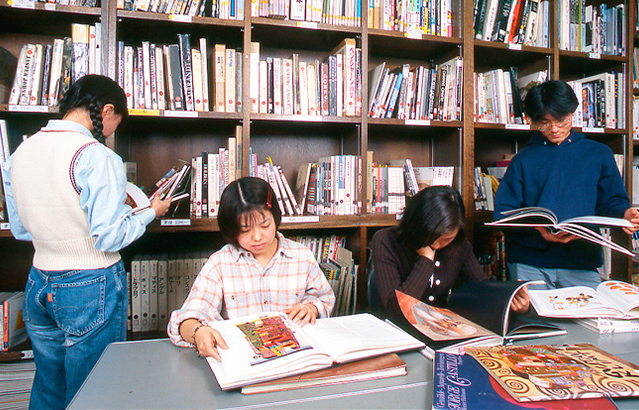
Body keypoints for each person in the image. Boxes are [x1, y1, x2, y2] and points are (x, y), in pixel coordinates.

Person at [1, 75, 172, 410]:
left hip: (39, 281)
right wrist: (149, 213)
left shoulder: (21, 152)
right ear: (107, 110)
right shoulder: (96, 156)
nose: (110, 131)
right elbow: (110, 236)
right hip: (89, 283)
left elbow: (21, 229)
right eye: (115, 123)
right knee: (93, 392)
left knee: (49, 386)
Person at [167, 176, 335, 360]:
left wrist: (311, 308)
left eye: (265, 225)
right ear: (231, 229)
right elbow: (185, 319)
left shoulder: (302, 256)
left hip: (295, 357)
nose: (257, 237)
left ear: (276, 217)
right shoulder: (220, 263)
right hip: (243, 359)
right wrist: (198, 332)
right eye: (245, 230)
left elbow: (324, 299)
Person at [494, 79, 639, 290]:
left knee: (588, 312)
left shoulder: (598, 154)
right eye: (544, 123)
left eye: (562, 121)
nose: (554, 129)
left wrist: (625, 214)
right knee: (533, 312)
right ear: (532, 120)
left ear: (573, 113)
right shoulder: (522, 160)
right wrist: (539, 230)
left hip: (581, 260)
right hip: (529, 262)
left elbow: (611, 200)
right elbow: (503, 213)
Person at [371, 185, 530, 319]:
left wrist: (513, 303)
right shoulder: (386, 241)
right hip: (399, 332)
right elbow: (395, 311)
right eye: (432, 237)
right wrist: (426, 260)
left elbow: (482, 291)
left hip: (442, 329)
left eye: (447, 239)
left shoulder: (459, 245)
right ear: (416, 224)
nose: (436, 245)